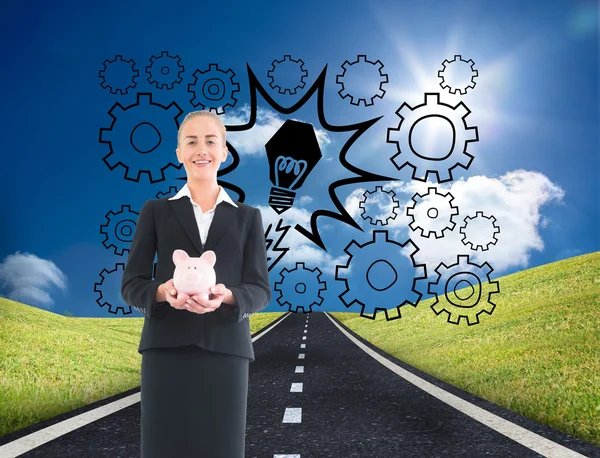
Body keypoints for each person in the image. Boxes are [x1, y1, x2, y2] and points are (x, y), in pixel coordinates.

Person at [121, 110, 272, 458]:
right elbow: (132, 282)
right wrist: (162, 293)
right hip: (165, 348)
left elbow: (260, 287)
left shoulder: (247, 217)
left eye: (210, 141)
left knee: (221, 447)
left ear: (224, 152)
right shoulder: (155, 211)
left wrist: (230, 297)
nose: (200, 149)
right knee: (163, 447)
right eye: (191, 141)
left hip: (226, 348)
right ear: (178, 153)